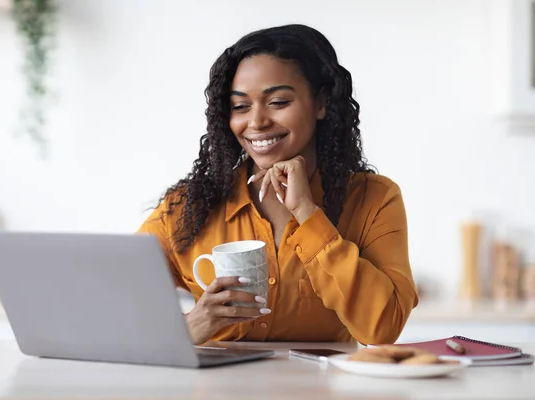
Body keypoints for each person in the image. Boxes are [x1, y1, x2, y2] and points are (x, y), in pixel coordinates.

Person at [139, 24, 418, 345]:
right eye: (240, 106)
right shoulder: (188, 206)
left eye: (278, 102)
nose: (256, 122)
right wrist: (187, 329)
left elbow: (383, 328)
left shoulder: (374, 199)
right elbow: (114, 304)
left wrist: (307, 212)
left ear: (322, 102)